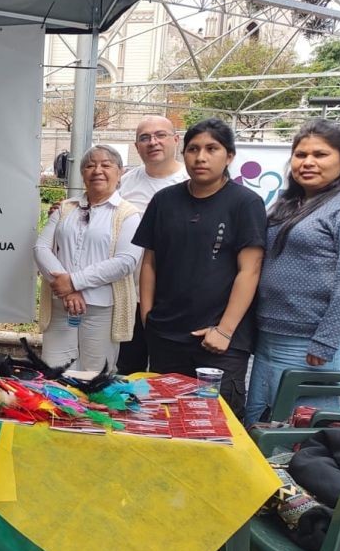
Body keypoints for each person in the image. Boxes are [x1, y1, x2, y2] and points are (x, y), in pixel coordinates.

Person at [244, 119, 340, 424]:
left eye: (320, 155)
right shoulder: (287, 203)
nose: (307, 162)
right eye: (300, 154)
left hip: (312, 342)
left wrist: (326, 340)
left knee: (302, 429)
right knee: (262, 420)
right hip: (269, 336)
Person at [133, 118, 267, 419]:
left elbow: (251, 270)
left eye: (211, 148)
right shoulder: (165, 200)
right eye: (193, 149)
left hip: (219, 341)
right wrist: (148, 318)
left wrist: (225, 330)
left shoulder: (245, 203)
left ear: (229, 156)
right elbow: (150, 262)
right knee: (164, 419)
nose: (201, 157)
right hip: (166, 336)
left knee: (215, 424)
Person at [34, 145, 142, 371]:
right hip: (60, 303)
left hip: (101, 307)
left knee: (95, 374)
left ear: (120, 172)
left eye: (106, 165)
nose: (97, 170)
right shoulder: (65, 208)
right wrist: (69, 289)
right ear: (82, 173)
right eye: (90, 166)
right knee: (55, 371)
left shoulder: (128, 213)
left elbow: (126, 262)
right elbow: (41, 248)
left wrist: (74, 282)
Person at [116, 115, 189, 374]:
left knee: (168, 373)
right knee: (127, 370)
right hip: (129, 295)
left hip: (174, 298)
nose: (153, 142)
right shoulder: (125, 183)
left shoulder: (191, 181)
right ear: (136, 147)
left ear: (176, 140)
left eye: (160, 135)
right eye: (145, 138)